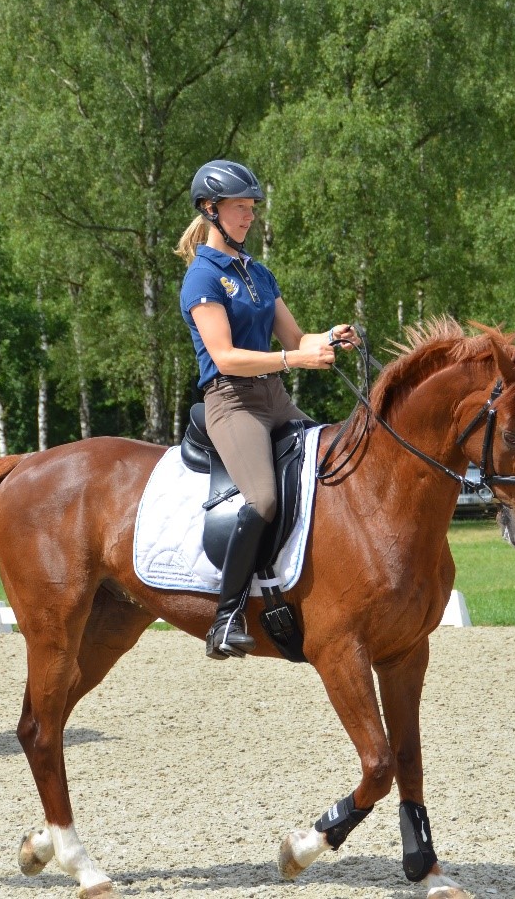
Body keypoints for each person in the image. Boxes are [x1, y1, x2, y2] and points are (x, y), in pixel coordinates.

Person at [175, 159, 359, 659]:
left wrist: (332, 338)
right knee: (262, 499)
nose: (249, 216)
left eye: (252, 208)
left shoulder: (258, 273)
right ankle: (226, 617)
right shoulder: (201, 279)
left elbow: (298, 338)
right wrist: (296, 357)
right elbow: (226, 356)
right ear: (210, 210)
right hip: (232, 402)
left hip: (274, 397)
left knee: (332, 469)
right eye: (240, 208)